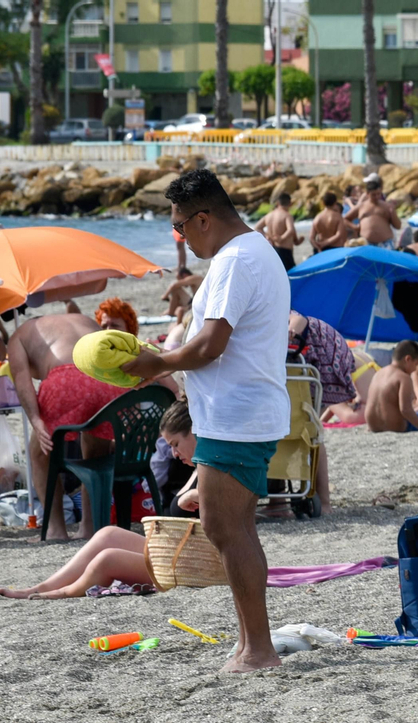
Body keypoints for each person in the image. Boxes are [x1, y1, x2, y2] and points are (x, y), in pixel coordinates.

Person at [122, 168, 291, 674]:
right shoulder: (249, 252)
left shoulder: (238, 259)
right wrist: (166, 356)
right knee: (230, 528)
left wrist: (158, 363)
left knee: (227, 529)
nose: (178, 236)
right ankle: (250, 644)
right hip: (242, 412)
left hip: (237, 416)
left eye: (179, 226)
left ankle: (259, 649)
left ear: (203, 218)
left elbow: (210, 345)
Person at [0, 402, 201, 599]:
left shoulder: (213, 472)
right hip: (175, 552)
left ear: (193, 433)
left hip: (194, 565)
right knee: (107, 534)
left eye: (175, 444)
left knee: (107, 559)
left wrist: (197, 496)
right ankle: (42, 586)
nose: (174, 454)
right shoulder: (199, 467)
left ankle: (65, 592)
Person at [7, 314, 131, 539]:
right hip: (108, 378)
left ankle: (56, 528)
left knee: (40, 454)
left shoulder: (18, 337)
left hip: (65, 377)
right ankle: (89, 526)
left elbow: (22, 380)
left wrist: (36, 420)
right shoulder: (82, 319)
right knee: (95, 455)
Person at [284, 312, 354, 513]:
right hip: (305, 361)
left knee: (309, 428)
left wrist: (286, 335)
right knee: (306, 429)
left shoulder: (289, 315)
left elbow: (296, 322)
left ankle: (324, 503)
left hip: (319, 360)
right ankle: (317, 502)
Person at [365, 340, 418, 432]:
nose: (414, 370)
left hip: (373, 426)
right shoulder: (403, 377)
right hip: (395, 426)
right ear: (408, 359)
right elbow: (405, 410)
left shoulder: (378, 374)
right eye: (416, 365)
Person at [255, 191, 301, 272]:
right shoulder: (287, 215)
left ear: (278, 203)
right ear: (290, 204)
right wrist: (282, 238)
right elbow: (290, 230)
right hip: (284, 251)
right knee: (289, 274)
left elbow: (257, 227)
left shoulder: (269, 215)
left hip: (273, 249)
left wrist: (267, 236)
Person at [354, 174, 401, 249]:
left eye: (378, 194)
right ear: (367, 194)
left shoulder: (387, 206)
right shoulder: (362, 205)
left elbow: (398, 226)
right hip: (366, 242)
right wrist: (354, 227)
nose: (376, 197)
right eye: (373, 195)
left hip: (385, 243)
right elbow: (345, 219)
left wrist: (393, 212)